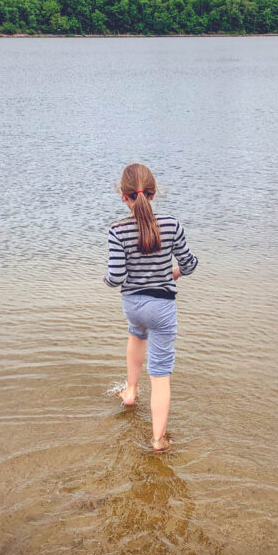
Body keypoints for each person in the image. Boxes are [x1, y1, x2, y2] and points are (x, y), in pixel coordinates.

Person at [103, 163, 198, 452]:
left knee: (136, 333)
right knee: (160, 375)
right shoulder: (171, 224)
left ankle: (130, 393)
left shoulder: (117, 230)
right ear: (153, 195)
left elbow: (116, 277)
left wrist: (106, 280)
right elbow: (190, 264)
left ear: (123, 196)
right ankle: (158, 440)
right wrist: (175, 273)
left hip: (133, 305)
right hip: (162, 307)